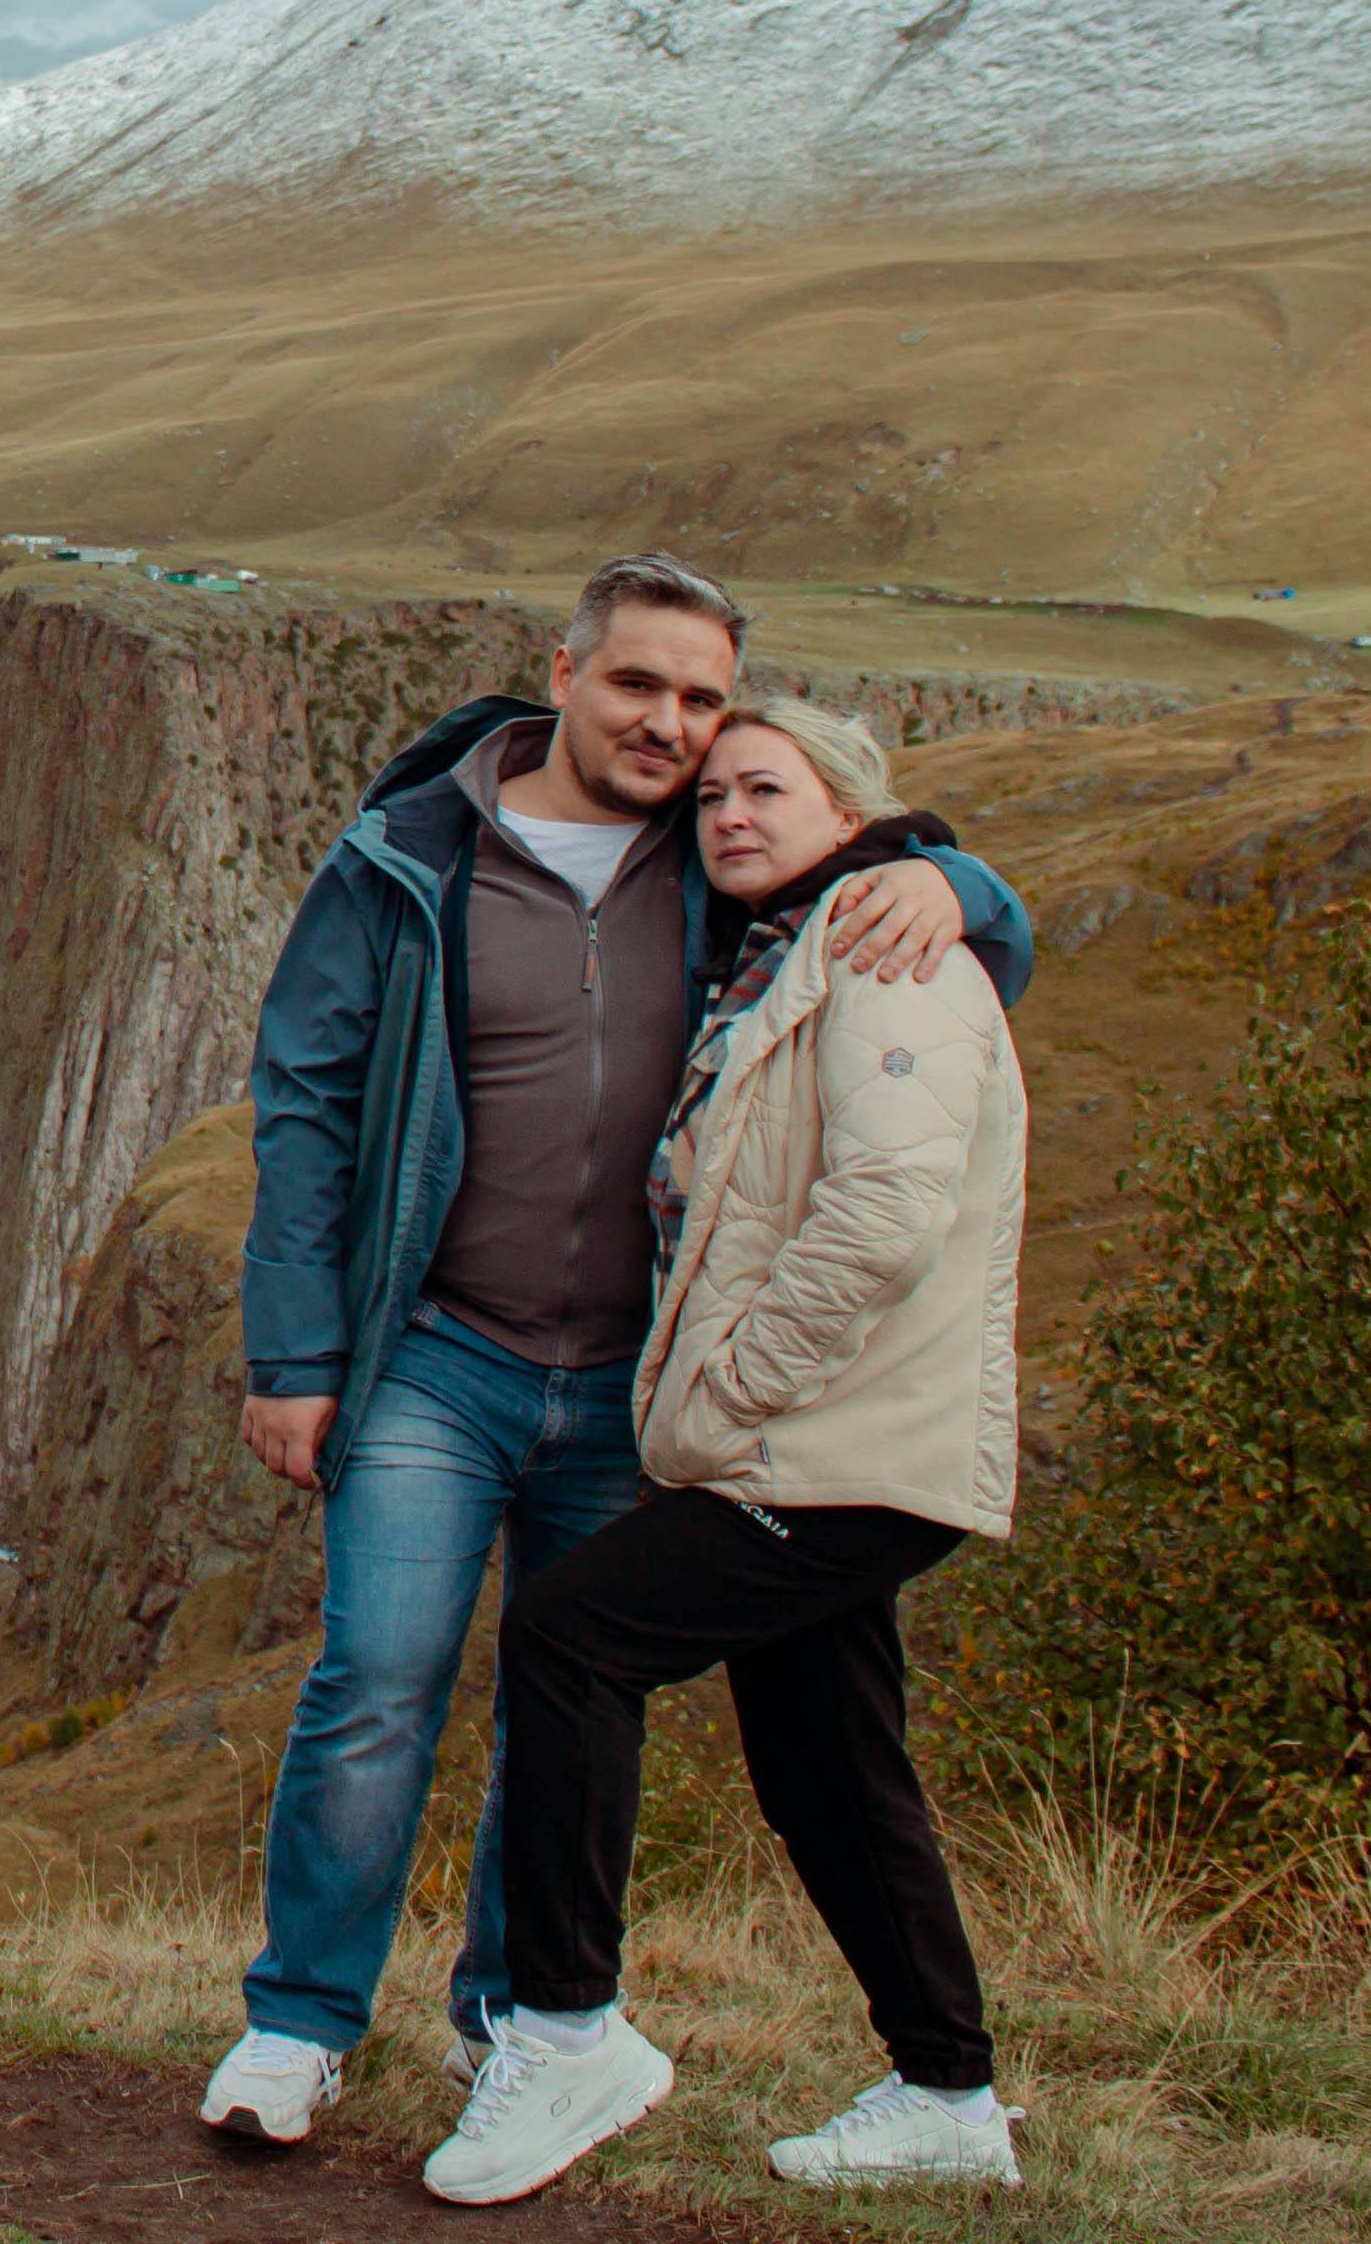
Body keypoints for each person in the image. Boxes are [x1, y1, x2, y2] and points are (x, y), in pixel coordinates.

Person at [194, 561, 1030, 2147]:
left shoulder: (711, 863)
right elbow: (306, 1094)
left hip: (638, 1385)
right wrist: (291, 1350)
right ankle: (298, 2024)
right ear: (562, 673)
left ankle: (515, 2020)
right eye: (640, 686)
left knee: (565, 1703)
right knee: (377, 1680)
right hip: (440, 1353)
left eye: (702, 702)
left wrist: (969, 885)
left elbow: (885, 897)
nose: (671, 727)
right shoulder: (413, 854)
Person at [416, 693, 1030, 2206]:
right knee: (829, 1768)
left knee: (570, 1638)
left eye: (769, 789)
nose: (733, 816)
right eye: (714, 800)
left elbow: (883, 1219)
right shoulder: (781, 956)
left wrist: (734, 1396)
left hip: (829, 1451)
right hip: (826, 1448)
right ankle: (949, 2094)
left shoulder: (886, 959)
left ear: (850, 813)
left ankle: (564, 2032)